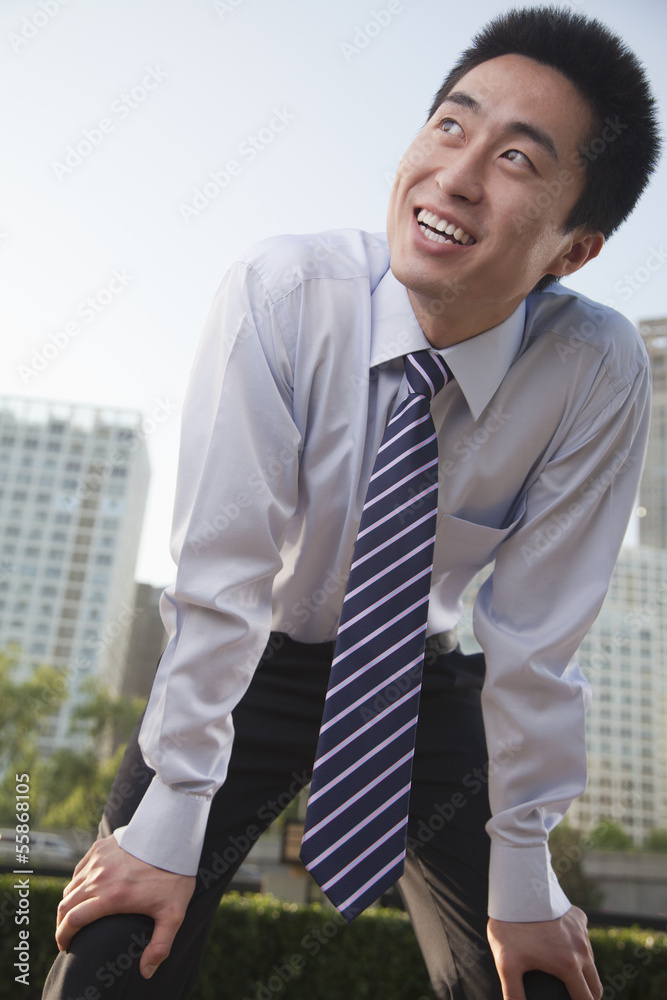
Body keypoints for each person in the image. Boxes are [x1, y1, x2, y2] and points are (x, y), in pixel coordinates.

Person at [44, 6, 660, 1000]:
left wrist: (524, 873)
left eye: (516, 158)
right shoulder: (284, 292)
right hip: (243, 667)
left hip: (430, 691)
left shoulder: (595, 369)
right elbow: (223, 572)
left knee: (532, 978)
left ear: (573, 248)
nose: (456, 175)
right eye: (450, 126)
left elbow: (537, 640)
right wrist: (166, 829)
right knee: (114, 951)